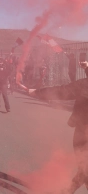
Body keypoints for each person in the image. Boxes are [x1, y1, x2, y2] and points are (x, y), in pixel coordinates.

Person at [29, 61, 88, 194]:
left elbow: (63, 91)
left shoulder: (85, 84)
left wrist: (37, 92)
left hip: (84, 132)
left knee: (85, 169)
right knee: (84, 169)